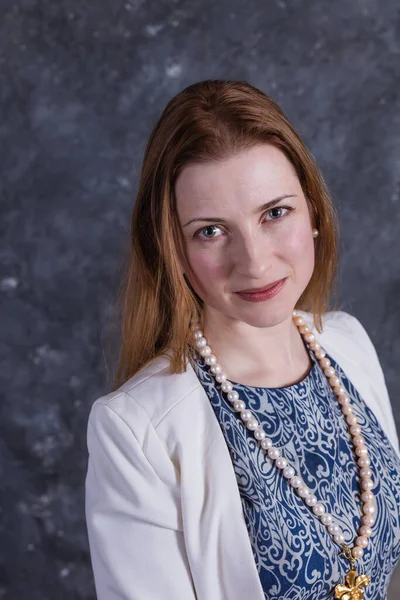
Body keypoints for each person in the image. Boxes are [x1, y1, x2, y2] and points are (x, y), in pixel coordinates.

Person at [84, 80, 400, 600]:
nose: (253, 262)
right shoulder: (135, 430)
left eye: (275, 213)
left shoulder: (346, 343)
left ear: (313, 211)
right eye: (211, 231)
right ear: (173, 250)